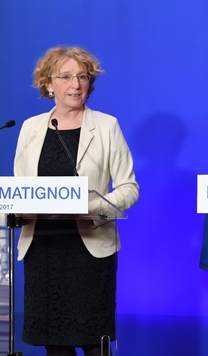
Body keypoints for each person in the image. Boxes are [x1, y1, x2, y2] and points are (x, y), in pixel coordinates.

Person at [14, 46, 139, 356]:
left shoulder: (107, 126)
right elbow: (19, 189)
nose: (76, 84)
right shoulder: (31, 128)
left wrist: (90, 206)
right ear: (48, 83)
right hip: (42, 249)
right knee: (55, 345)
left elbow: (129, 189)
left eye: (82, 76)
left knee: (93, 342)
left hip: (89, 250)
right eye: (66, 76)